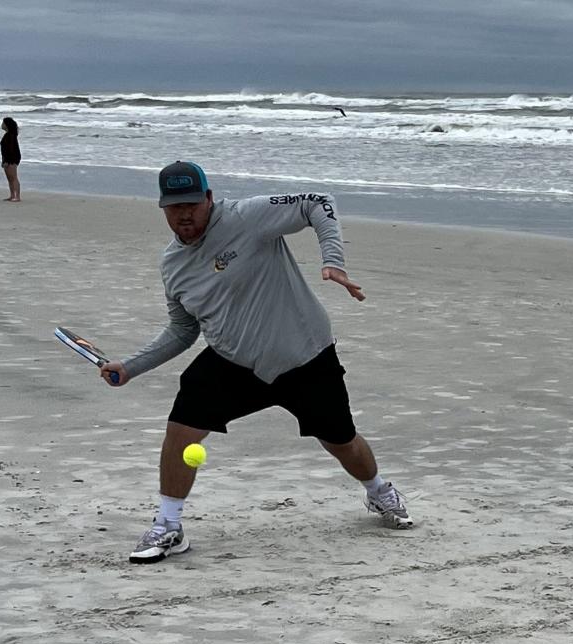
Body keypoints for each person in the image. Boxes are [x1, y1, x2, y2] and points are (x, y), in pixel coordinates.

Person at [100, 161, 413, 564]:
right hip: (233, 363)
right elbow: (182, 331)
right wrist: (130, 367)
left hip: (305, 356)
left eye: (193, 203)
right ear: (163, 208)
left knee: (342, 442)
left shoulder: (246, 217)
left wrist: (332, 259)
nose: (185, 214)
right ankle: (168, 526)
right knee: (179, 432)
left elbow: (318, 201)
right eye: (175, 206)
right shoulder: (173, 266)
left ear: (209, 198)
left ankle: (378, 491)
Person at [0, 117, 21, 202]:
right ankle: (12, 195)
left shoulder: (11, 135)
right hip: (7, 158)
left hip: (12, 158)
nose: (2, 125)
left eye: (3, 123)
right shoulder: (7, 134)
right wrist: (4, 160)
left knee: (13, 177)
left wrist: (7, 161)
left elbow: (11, 149)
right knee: (9, 178)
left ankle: (17, 196)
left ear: (7, 125)